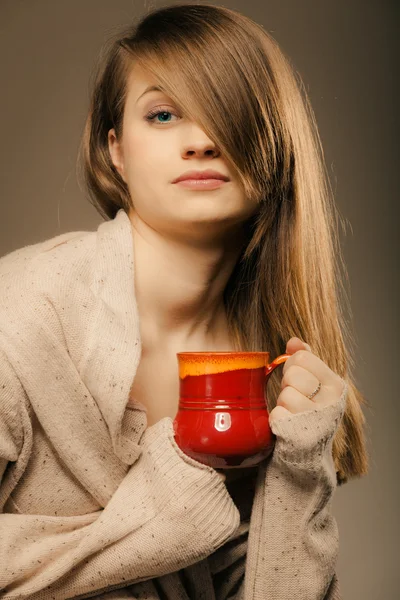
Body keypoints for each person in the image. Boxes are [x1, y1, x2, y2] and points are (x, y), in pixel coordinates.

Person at [0, 3, 369, 599]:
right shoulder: (23, 313)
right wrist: (163, 517)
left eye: (226, 113)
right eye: (163, 113)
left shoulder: (276, 370)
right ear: (116, 150)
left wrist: (302, 468)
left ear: (277, 148)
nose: (199, 141)